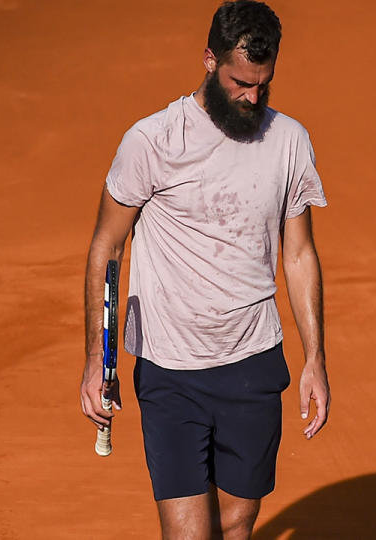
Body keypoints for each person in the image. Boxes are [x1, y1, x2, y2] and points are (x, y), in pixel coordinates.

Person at [79, 1, 330, 538]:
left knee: (237, 523)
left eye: (264, 84)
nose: (253, 97)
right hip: (171, 369)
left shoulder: (289, 141)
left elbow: (300, 254)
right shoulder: (151, 142)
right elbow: (107, 246)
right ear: (209, 60)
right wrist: (95, 360)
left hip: (253, 362)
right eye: (241, 82)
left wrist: (315, 358)